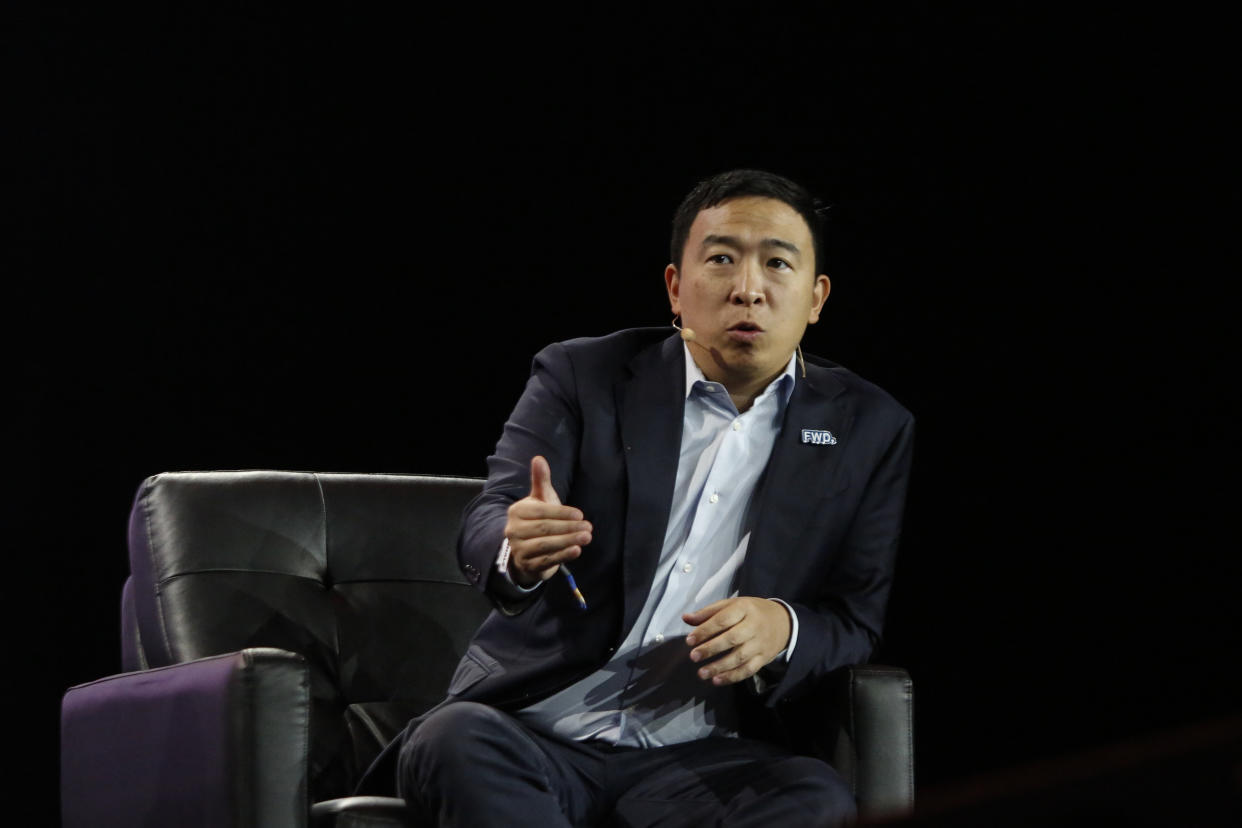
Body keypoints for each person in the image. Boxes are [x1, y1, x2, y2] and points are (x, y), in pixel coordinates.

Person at [363, 169, 915, 827]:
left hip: (698, 757)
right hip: (534, 734)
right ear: (676, 289)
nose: (748, 289)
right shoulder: (584, 375)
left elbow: (854, 617)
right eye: (721, 260)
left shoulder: (871, 428)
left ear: (816, 296)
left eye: (777, 264)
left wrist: (782, 627)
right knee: (452, 741)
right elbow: (493, 513)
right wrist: (518, 546)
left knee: (815, 799)